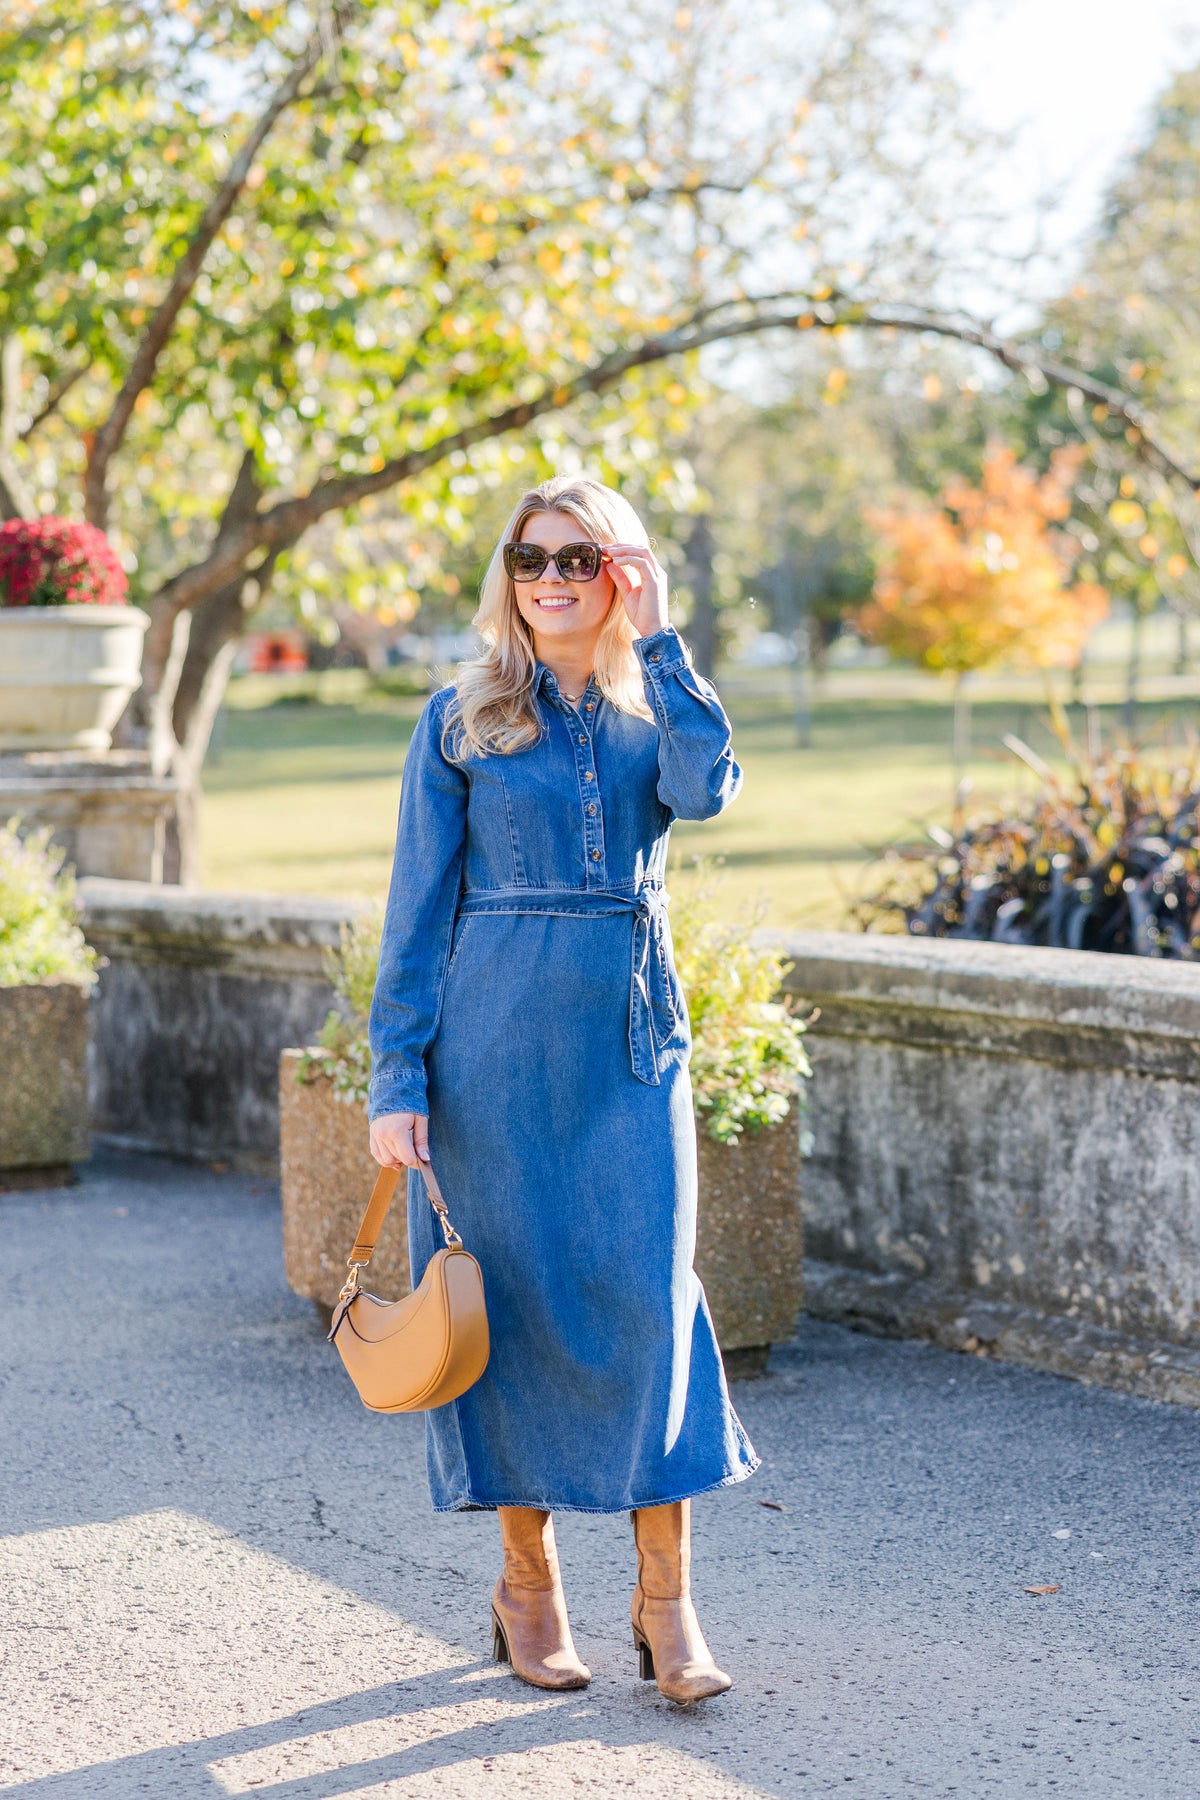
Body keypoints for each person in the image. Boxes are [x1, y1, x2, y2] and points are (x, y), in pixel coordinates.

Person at [367, 475, 758, 1705]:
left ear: (619, 573)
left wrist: (660, 643)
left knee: (648, 1302)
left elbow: (707, 793)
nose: (548, 580)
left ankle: (666, 1602)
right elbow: (414, 915)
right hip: (488, 1057)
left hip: (629, 1048)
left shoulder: (660, 714)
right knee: (511, 1313)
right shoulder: (459, 718)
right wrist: (398, 1076)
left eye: (577, 561)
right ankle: (527, 1589)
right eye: (529, 559)